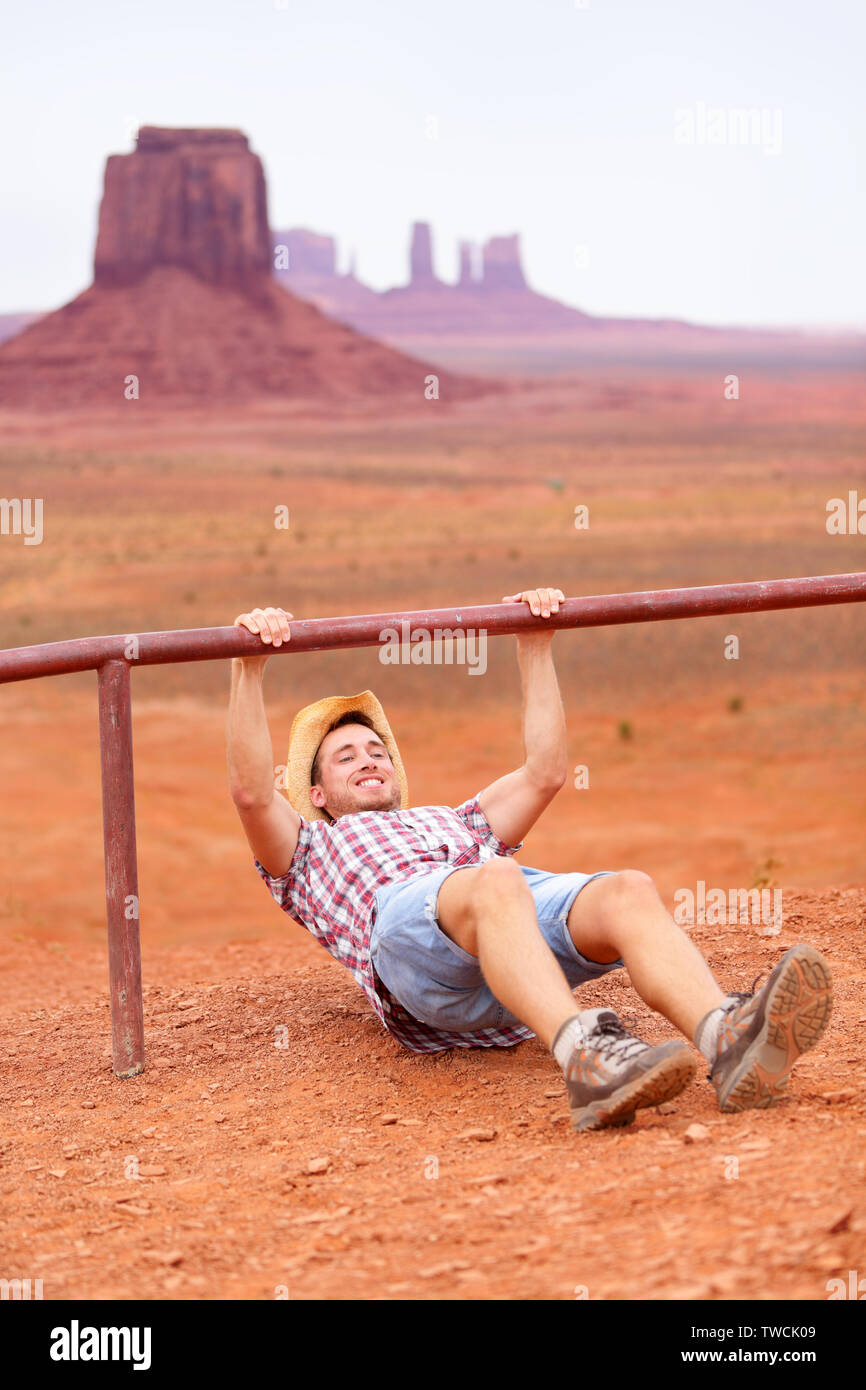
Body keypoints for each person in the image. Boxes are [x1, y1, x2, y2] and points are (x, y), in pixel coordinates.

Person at [226, 588, 833, 1132]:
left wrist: (534, 647)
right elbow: (253, 792)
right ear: (314, 795)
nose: (368, 760)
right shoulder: (306, 850)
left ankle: (725, 1037)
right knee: (497, 877)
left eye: (376, 750)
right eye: (345, 757)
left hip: (503, 935)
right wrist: (248, 666)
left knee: (627, 889)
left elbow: (545, 772)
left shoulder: (453, 819)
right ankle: (585, 1058)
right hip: (414, 952)